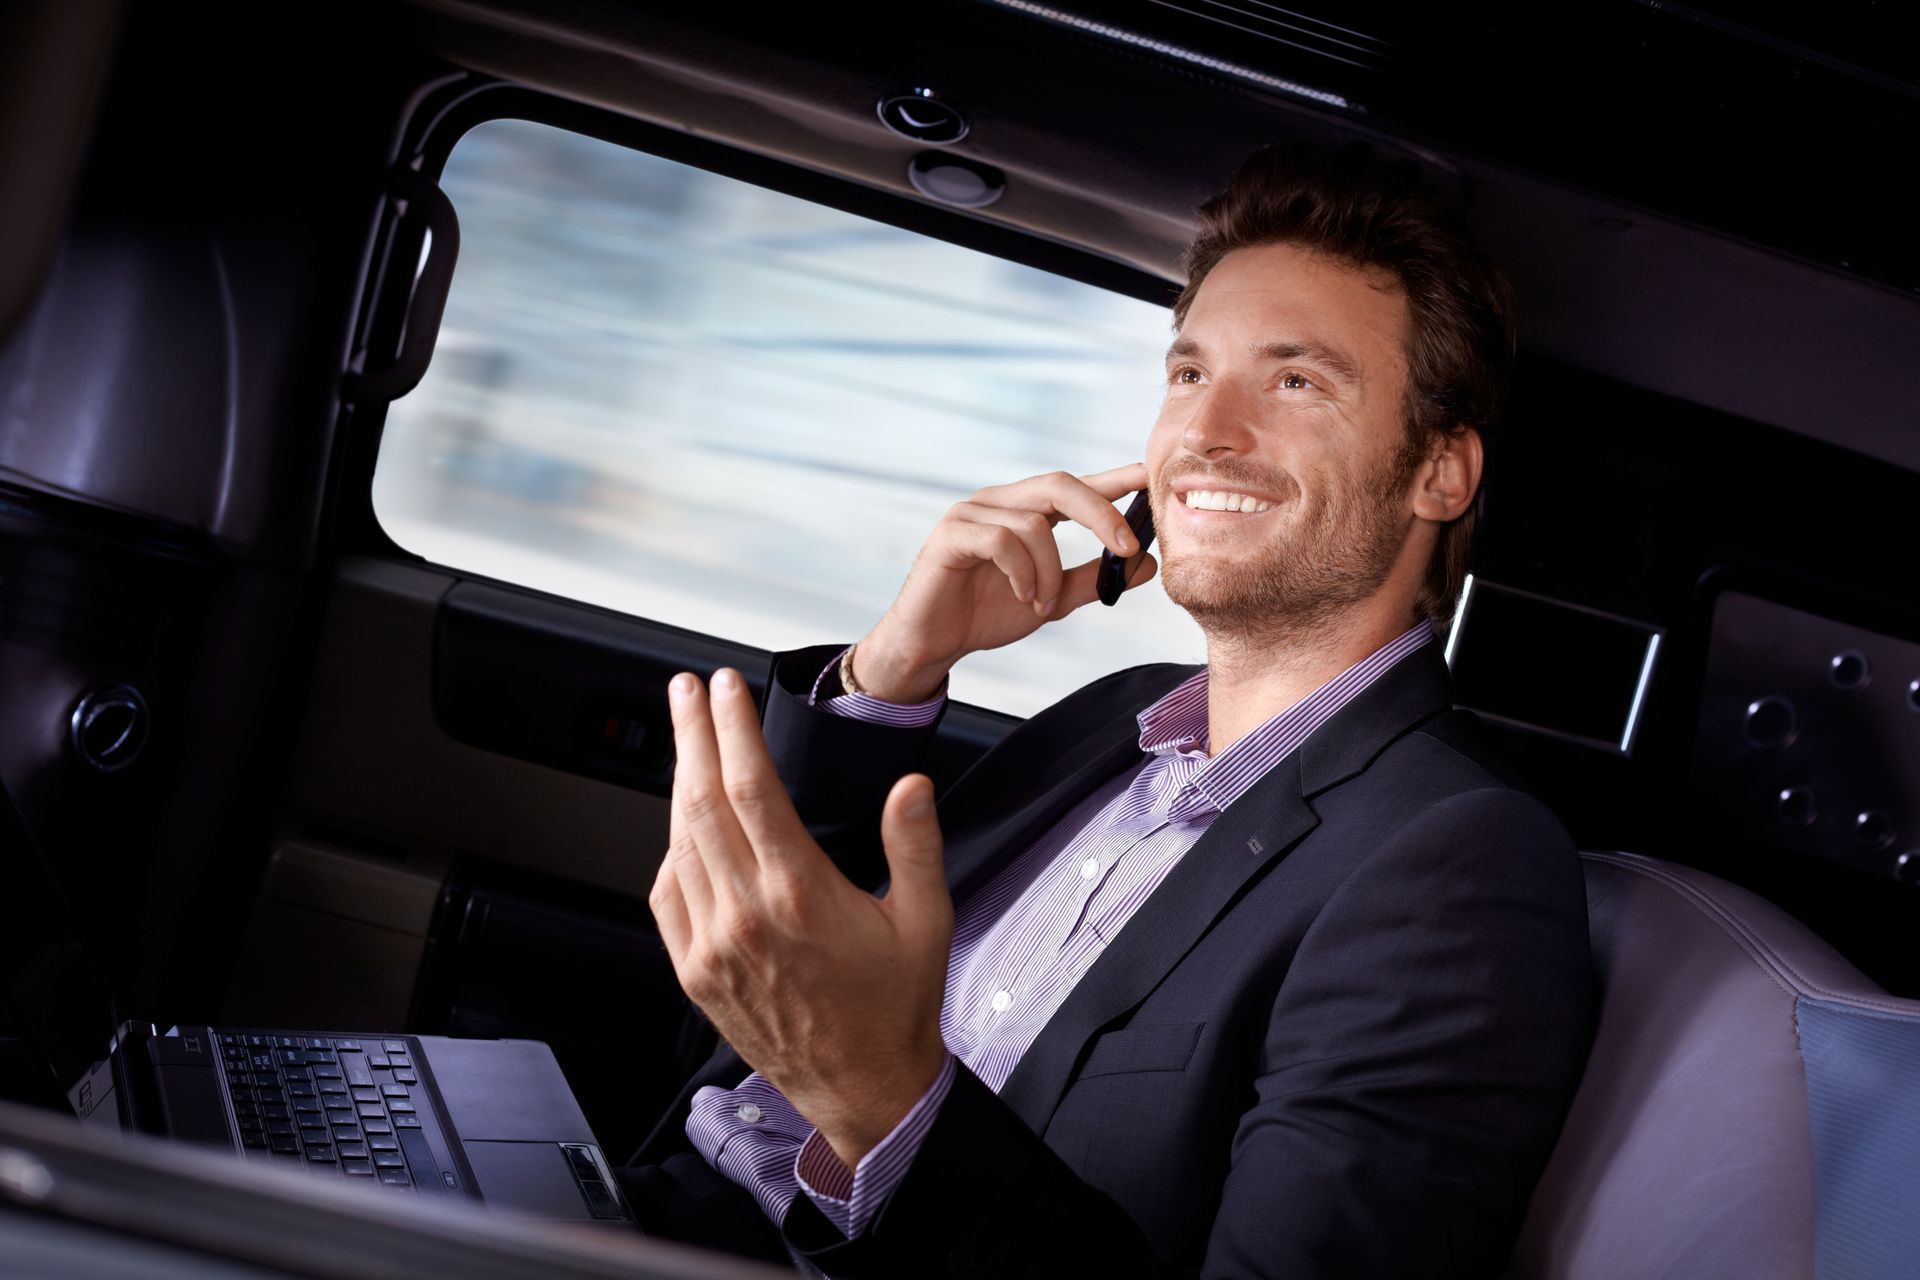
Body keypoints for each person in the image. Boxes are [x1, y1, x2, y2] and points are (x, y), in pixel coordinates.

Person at [616, 142, 1596, 1278]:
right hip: (640, 1210)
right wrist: (898, 667)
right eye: (1188, 374)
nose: (1205, 434)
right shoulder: (1114, 721)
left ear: (1439, 472)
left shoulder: (1460, 859)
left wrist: (885, 1102)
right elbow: (777, 994)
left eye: (1295, 380)